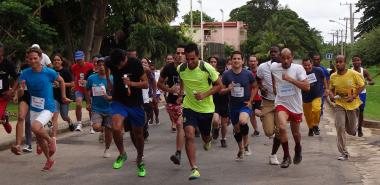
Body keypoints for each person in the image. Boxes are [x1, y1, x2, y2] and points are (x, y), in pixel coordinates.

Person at [19, 47, 71, 170]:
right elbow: (21, 94)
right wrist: (21, 91)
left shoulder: (49, 72)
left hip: (48, 106)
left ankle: (50, 140)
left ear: (40, 58)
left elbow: (62, 81)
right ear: (27, 59)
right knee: (38, 136)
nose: (32, 61)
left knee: (35, 127)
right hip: (34, 107)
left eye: (35, 58)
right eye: (30, 58)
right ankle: (49, 159)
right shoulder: (25, 73)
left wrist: (63, 96)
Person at [177, 43, 222, 180]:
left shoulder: (206, 68)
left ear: (198, 56)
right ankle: (194, 168)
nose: (190, 62)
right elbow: (182, 79)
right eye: (187, 59)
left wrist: (205, 95)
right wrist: (181, 93)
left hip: (206, 109)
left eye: (193, 59)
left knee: (205, 137)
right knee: (189, 135)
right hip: (189, 107)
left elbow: (219, 86)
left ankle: (208, 139)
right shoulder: (181, 68)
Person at [106, 49, 148, 177]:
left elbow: (145, 84)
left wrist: (131, 83)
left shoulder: (135, 63)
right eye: (116, 65)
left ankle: (140, 159)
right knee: (116, 127)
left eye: (120, 64)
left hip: (135, 103)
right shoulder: (111, 61)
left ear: (125, 58)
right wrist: (109, 82)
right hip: (119, 101)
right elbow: (106, 67)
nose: (118, 67)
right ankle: (122, 154)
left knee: (138, 134)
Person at [271, 48, 310, 168]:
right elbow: (274, 78)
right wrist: (275, 87)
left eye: (288, 58)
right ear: (280, 58)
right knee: (282, 127)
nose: (286, 61)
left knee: (296, 133)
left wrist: (291, 80)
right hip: (281, 103)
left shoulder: (298, 69)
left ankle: (298, 148)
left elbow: (307, 87)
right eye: (283, 58)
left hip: (295, 105)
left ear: (292, 57)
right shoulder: (274, 67)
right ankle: (286, 156)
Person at [221, 51, 258, 160]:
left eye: (238, 59)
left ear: (242, 61)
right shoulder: (226, 74)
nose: (236, 60)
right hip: (233, 106)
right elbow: (221, 91)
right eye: (234, 59)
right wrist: (228, 88)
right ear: (231, 61)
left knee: (243, 121)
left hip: (245, 105)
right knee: (237, 129)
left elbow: (255, 86)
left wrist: (251, 100)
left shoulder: (248, 74)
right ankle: (241, 149)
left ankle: (246, 145)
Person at [329, 55, 365, 160]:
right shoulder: (333, 76)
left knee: (351, 130)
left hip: (352, 105)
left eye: (341, 62)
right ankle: (343, 152)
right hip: (339, 104)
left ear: (345, 63)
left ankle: (354, 128)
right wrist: (331, 95)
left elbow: (362, 85)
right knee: (340, 127)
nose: (339, 64)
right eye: (337, 62)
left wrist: (353, 96)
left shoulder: (353, 74)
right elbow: (331, 89)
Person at [158, 46, 186, 165]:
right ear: (174, 54)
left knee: (180, 124)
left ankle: (178, 153)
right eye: (177, 52)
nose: (180, 55)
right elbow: (159, 83)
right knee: (180, 125)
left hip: (188, 102)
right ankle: (179, 151)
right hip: (172, 102)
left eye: (182, 53)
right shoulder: (168, 68)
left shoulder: (190, 67)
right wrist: (169, 89)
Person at [256, 46, 281, 165]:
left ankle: (273, 155)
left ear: (279, 54)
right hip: (267, 102)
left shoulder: (285, 67)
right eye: (271, 52)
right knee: (269, 132)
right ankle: (264, 117)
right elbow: (257, 79)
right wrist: (262, 87)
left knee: (281, 130)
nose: (273, 54)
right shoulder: (263, 67)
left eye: (276, 52)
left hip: (281, 102)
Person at [85, 57, 113, 158]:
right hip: (97, 108)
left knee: (109, 132)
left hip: (110, 108)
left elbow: (118, 94)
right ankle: (103, 129)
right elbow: (87, 90)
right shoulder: (91, 78)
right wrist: (88, 102)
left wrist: (110, 97)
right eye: (99, 65)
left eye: (104, 65)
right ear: (96, 66)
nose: (101, 67)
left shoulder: (112, 78)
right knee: (96, 127)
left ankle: (107, 149)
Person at [11, 55, 32, 154]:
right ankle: (18, 145)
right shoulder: (23, 69)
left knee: (29, 121)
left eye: (32, 58)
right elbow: (20, 83)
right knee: (21, 118)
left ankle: (30, 143)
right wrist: (16, 95)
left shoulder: (41, 69)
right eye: (28, 57)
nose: (29, 59)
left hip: (36, 97)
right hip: (24, 95)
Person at [301, 59, 328, 136]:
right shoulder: (300, 72)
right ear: (302, 65)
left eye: (308, 65)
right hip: (306, 97)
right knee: (308, 115)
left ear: (311, 64)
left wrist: (326, 88)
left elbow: (323, 79)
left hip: (317, 95)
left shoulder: (318, 70)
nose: (307, 67)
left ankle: (315, 125)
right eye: (305, 65)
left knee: (317, 109)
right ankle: (310, 128)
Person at [51, 53, 75, 137]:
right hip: (54, 97)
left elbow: (72, 84)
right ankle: (53, 137)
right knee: (54, 116)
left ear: (61, 61)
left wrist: (61, 84)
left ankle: (69, 121)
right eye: (55, 60)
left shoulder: (65, 71)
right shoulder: (51, 71)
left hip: (64, 97)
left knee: (64, 116)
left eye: (58, 60)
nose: (56, 61)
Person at [351, 55, 375, 137]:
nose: (356, 62)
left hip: (362, 93)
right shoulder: (350, 71)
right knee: (353, 110)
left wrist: (367, 82)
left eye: (358, 60)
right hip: (353, 93)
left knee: (361, 110)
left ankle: (359, 129)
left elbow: (372, 81)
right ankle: (353, 127)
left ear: (360, 61)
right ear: (352, 62)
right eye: (355, 60)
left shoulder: (364, 71)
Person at [209, 57, 230, 148]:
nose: (220, 67)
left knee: (224, 123)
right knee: (215, 120)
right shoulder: (211, 74)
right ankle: (216, 128)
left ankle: (223, 139)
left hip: (226, 101)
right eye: (218, 65)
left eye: (221, 65)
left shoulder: (228, 74)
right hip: (214, 101)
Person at [71, 50, 94, 131]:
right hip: (79, 88)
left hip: (89, 89)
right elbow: (74, 76)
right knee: (78, 104)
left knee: (90, 106)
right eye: (77, 59)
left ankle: (92, 123)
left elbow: (93, 76)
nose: (79, 61)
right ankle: (79, 123)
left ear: (84, 58)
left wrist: (87, 82)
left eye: (80, 59)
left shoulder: (90, 66)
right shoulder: (74, 67)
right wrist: (74, 84)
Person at [0, 42, 18, 134]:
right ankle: (4, 119)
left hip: (3, 96)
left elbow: (17, 77)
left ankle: (3, 117)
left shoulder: (8, 63)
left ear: (2, 52)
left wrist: (12, 91)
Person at [247, 55, 261, 136]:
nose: (252, 63)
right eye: (251, 61)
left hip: (260, 97)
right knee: (251, 114)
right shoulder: (247, 72)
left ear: (257, 62)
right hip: (250, 97)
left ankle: (270, 124)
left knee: (257, 113)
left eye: (254, 61)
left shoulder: (260, 71)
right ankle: (256, 130)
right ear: (248, 62)